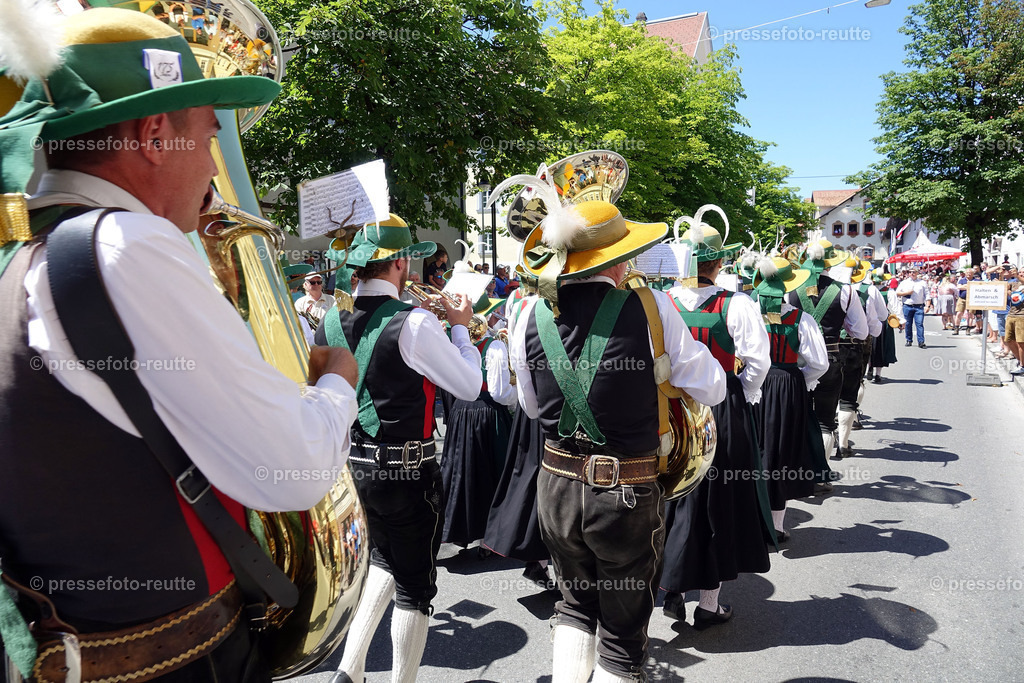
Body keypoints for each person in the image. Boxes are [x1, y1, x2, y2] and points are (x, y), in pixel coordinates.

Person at [0, 8, 358, 680]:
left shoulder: (23, 252)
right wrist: (338, 377)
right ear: (156, 133)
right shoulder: (123, 246)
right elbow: (296, 464)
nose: (215, 160)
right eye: (210, 130)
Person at [509, 198, 726, 682]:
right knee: (623, 635)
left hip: (556, 484)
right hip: (625, 492)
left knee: (575, 606)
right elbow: (714, 387)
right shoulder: (652, 307)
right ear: (618, 258)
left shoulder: (527, 313)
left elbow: (527, 403)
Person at [319, 215, 483, 683]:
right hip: (406, 472)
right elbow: (470, 386)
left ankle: (348, 672)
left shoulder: (328, 320)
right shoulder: (413, 323)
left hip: (352, 468)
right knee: (414, 587)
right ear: (400, 264)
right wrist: (461, 329)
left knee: (382, 562)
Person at [661, 221, 773, 629]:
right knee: (719, 503)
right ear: (721, 261)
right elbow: (758, 363)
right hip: (720, 406)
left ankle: (670, 585)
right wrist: (740, 391)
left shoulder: (661, 301)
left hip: (672, 408)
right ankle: (709, 603)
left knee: (671, 494)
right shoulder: (737, 304)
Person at [750, 256, 829, 541]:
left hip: (749, 387)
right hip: (786, 386)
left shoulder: (745, 312)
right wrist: (798, 381)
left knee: (752, 451)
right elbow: (819, 364)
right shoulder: (801, 318)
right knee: (781, 453)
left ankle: (749, 521)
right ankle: (777, 525)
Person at [440, 296, 517, 549]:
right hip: (488, 415)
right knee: (495, 475)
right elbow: (499, 392)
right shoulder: (495, 347)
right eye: (494, 315)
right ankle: (490, 539)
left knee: (462, 473)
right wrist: (517, 399)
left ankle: (461, 531)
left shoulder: (455, 345)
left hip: (461, 413)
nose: (497, 319)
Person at [787, 240, 868, 464]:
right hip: (830, 357)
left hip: (794, 360)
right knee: (824, 421)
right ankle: (820, 477)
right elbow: (861, 332)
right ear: (830, 266)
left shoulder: (789, 291)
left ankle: (795, 471)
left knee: (796, 418)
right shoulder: (846, 291)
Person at [896, 268, 928, 347]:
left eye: (914, 272)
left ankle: (921, 342)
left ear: (917, 273)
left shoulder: (922, 283)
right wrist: (907, 293)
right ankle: (909, 340)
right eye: (910, 272)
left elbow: (927, 294)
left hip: (919, 306)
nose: (912, 274)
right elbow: (897, 293)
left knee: (919, 324)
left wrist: (927, 305)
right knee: (908, 324)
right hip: (907, 306)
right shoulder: (904, 283)